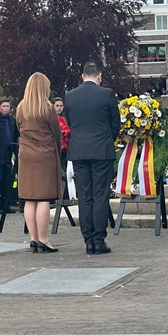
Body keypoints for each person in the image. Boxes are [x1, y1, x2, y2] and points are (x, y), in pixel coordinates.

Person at [64, 61, 120, 255]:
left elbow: (70, 122)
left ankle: (88, 240)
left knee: (85, 196)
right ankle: (99, 239)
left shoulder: (70, 96)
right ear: (99, 76)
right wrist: (106, 140)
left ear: (82, 76)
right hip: (101, 151)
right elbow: (116, 124)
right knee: (100, 195)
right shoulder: (107, 94)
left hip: (79, 151)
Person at [16, 72, 62, 253]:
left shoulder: (21, 107)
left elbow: (19, 129)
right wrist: (56, 151)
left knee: (29, 198)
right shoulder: (47, 108)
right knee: (43, 198)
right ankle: (44, 239)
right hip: (45, 155)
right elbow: (56, 132)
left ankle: (33, 239)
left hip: (26, 156)